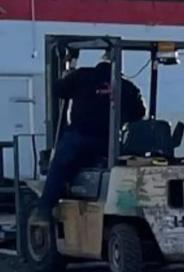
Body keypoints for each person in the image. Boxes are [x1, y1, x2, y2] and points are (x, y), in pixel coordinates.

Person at [35, 55, 146, 218]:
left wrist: (66, 75)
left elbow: (58, 90)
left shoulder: (82, 76)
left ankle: (44, 208)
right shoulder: (127, 87)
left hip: (79, 135)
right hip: (107, 141)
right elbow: (139, 113)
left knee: (59, 166)